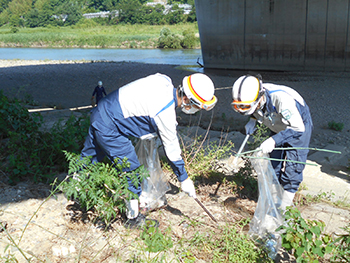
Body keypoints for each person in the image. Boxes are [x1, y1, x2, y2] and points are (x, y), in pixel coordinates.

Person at [81, 73, 217, 227]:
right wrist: (184, 179)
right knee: (132, 171)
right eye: (197, 106)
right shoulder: (165, 113)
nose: (196, 110)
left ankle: (76, 191)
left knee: (88, 158)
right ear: (186, 99)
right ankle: (132, 219)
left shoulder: (164, 80)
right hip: (109, 125)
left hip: (102, 110)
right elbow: (172, 151)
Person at [231, 74, 313, 211]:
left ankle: (284, 210)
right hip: (275, 124)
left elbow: (298, 128)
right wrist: (252, 120)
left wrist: (274, 140)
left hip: (297, 127)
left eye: (245, 106)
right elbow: (253, 109)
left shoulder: (281, 99)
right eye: (239, 107)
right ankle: (274, 200)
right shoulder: (251, 96)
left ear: (260, 98)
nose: (241, 109)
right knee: (274, 164)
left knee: (293, 169)